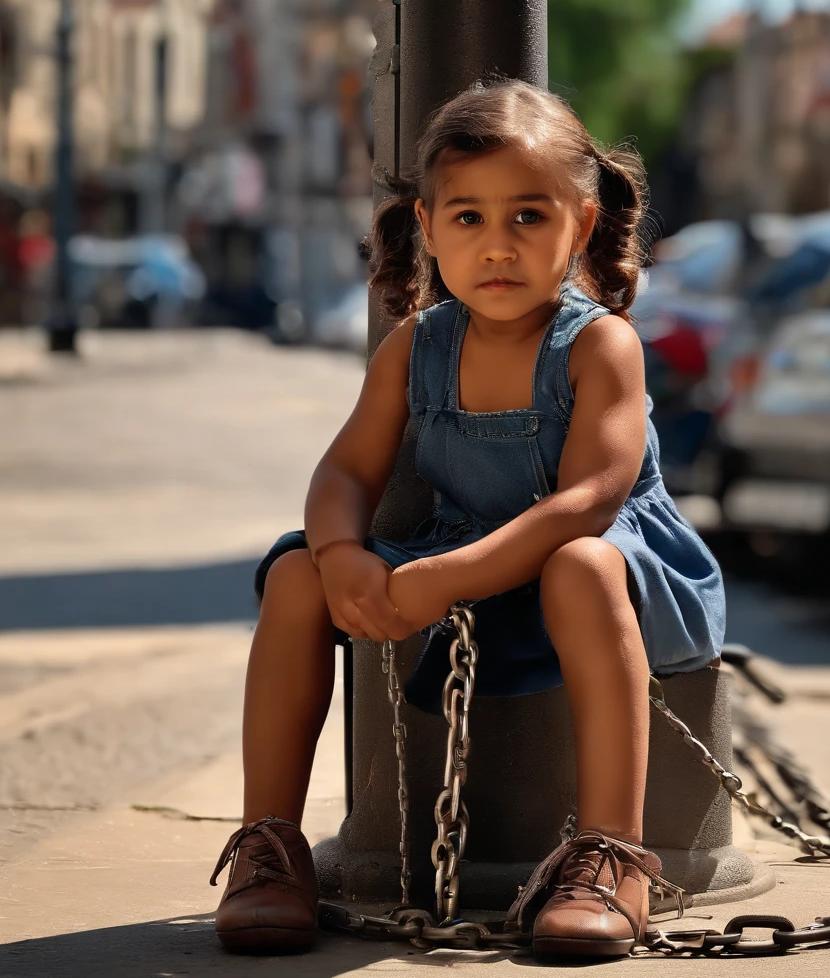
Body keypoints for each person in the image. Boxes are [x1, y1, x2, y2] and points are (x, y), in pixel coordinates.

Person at [209, 80, 726, 958]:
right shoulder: (417, 344)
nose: (497, 246)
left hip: (610, 569)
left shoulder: (600, 343)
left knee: (580, 563)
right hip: (465, 555)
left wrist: (444, 578)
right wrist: (340, 553)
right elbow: (345, 469)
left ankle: (611, 855)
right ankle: (270, 845)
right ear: (427, 224)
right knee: (296, 575)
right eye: (469, 219)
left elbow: (591, 498)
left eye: (528, 217)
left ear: (583, 223)